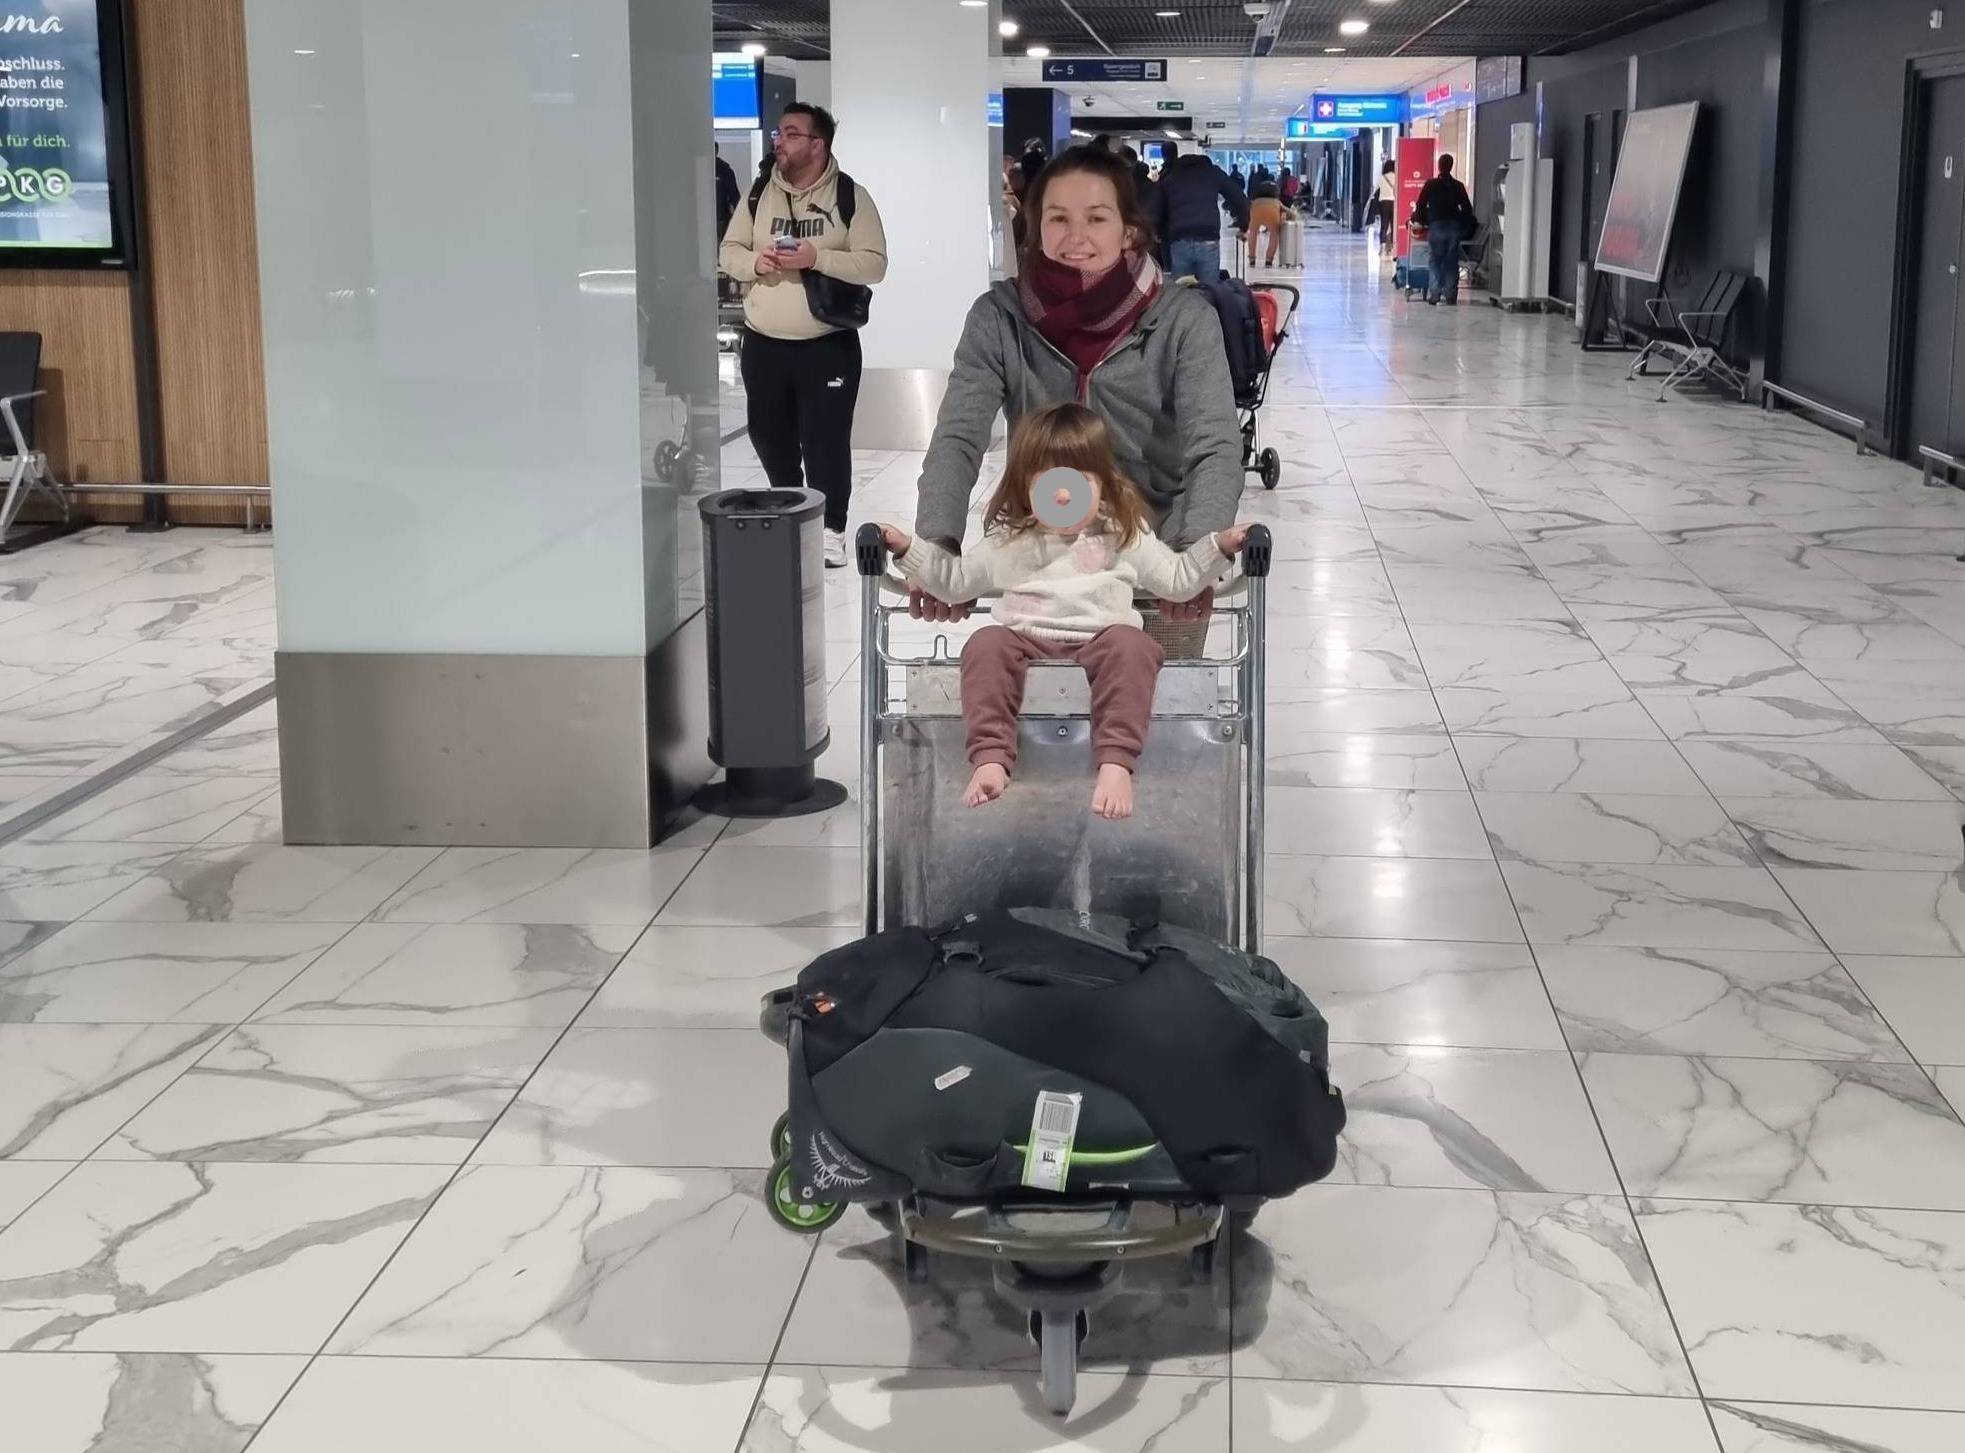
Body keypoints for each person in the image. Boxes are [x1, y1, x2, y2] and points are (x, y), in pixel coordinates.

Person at [911, 144, 1244, 658]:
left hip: (1151, 552)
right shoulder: (999, 318)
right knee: (1039, 722)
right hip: (1039, 557)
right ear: (1035, 225)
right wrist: (938, 543)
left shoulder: (1182, 320)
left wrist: (1192, 554)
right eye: (1058, 218)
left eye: (1096, 218)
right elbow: (958, 437)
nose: (1076, 237)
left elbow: (1214, 446)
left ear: (1128, 229)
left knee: (1157, 712)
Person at [881, 403, 1247, 820]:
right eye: (1046, 480)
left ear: (1104, 483)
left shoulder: (1123, 534)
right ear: (1024, 484)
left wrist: (1219, 546)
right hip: (1024, 637)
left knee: (1135, 647)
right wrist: (908, 550)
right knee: (985, 644)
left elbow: (1178, 579)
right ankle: (990, 757)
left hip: (1102, 638)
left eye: (1080, 480)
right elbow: (955, 580)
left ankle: (1115, 761)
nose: (1061, 494)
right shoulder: (1011, 538)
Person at [719, 103, 889, 567]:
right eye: (779, 132)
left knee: (825, 439)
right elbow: (729, 250)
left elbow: (874, 263)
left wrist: (816, 256)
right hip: (764, 342)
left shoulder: (850, 196)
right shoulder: (759, 193)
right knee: (768, 435)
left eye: (791, 134)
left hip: (827, 344)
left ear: (818, 145)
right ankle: (794, 509)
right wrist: (756, 262)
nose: (779, 140)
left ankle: (831, 525)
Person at [1145, 139, 1249, 283]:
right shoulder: (1212, 172)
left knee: (1181, 292)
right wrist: (1243, 225)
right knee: (1210, 291)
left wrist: (1155, 232)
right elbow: (1238, 197)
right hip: (1208, 237)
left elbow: (1154, 207)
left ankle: (1184, 304)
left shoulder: (1171, 176)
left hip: (1179, 238)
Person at [1410, 153, 1477, 306]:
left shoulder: (1431, 184)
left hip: (1436, 225)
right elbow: (1467, 208)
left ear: (1439, 166)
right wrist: (1464, 225)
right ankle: (1450, 295)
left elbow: (1420, 204)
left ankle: (1435, 294)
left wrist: (1420, 220)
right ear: (1451, 166)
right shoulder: (1458, 186)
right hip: (1453, 227)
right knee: (1451, 261)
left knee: (1435, 260)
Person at [1373, 158, 1398, 257]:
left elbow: (1376, 190)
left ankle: (1382, 248)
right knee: (1393, 226)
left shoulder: (1382, 178)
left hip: (1383, 203)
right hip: (1393, 202)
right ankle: (1392, 247)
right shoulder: (1396, 177)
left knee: (1384, 226)